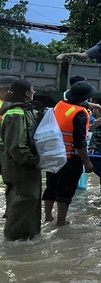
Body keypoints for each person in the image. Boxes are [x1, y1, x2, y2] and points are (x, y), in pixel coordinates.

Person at [43, 81, 96, 226]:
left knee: (51, 187)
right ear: (84, 98)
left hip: (53, 154)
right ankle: (61, 222)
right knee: (65, 191)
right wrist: (87, 162)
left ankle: (48, 217)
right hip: (70, 158)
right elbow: (80, 142)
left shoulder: (60, 105)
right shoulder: (80, 114)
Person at [0, 80, 42, 240]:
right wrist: (33, 159)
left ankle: (28, 236)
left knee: (30, 200)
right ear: (26, 93)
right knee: (24, 200)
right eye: (33, 90)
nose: (34, 92)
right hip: (20, 166)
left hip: (26, 165)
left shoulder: (25, 110)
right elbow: (16, 146)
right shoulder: (15, 113)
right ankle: (11, 240)